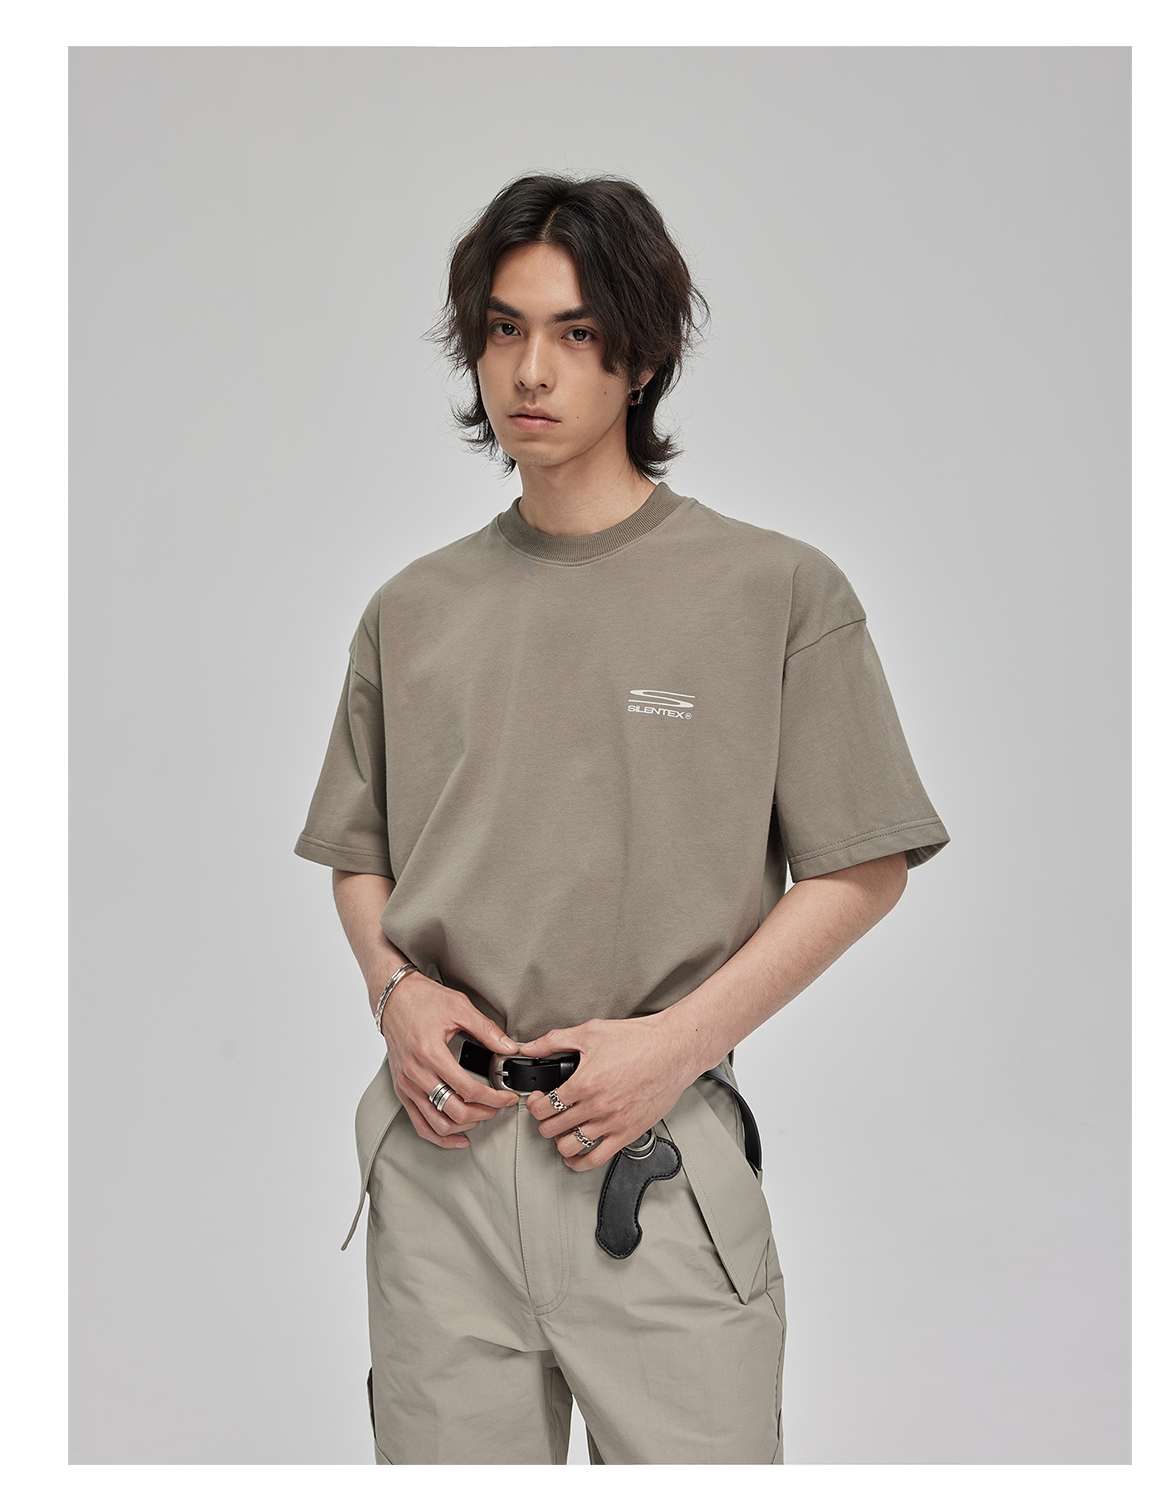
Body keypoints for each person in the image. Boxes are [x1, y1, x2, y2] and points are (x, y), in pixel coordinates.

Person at [295, 172, 950, 1466]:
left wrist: (676, 1042)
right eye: (503, 328)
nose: (530, 369)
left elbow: (865, 862)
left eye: (576, 332)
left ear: (640, 358)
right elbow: (360, 852)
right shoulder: (412, 609)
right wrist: (395, 993)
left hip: (647, 1153)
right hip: (442, 1163)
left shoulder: (774, 590)